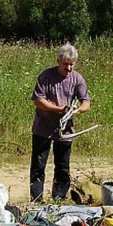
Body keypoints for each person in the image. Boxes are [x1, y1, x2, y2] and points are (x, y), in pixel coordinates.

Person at [30, 43, 91, 202]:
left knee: (63, 167)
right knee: (38, 165)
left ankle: (59, 198)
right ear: (58, 61)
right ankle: (36, 199)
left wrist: (77, 110)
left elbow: (86, 102)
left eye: (72, 64)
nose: (69, 68)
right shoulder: (46, 76)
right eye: (66, 64)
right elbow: (38, 100)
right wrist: (59, 109)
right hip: (43, 128)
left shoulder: (77, 79)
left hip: (66, 131)